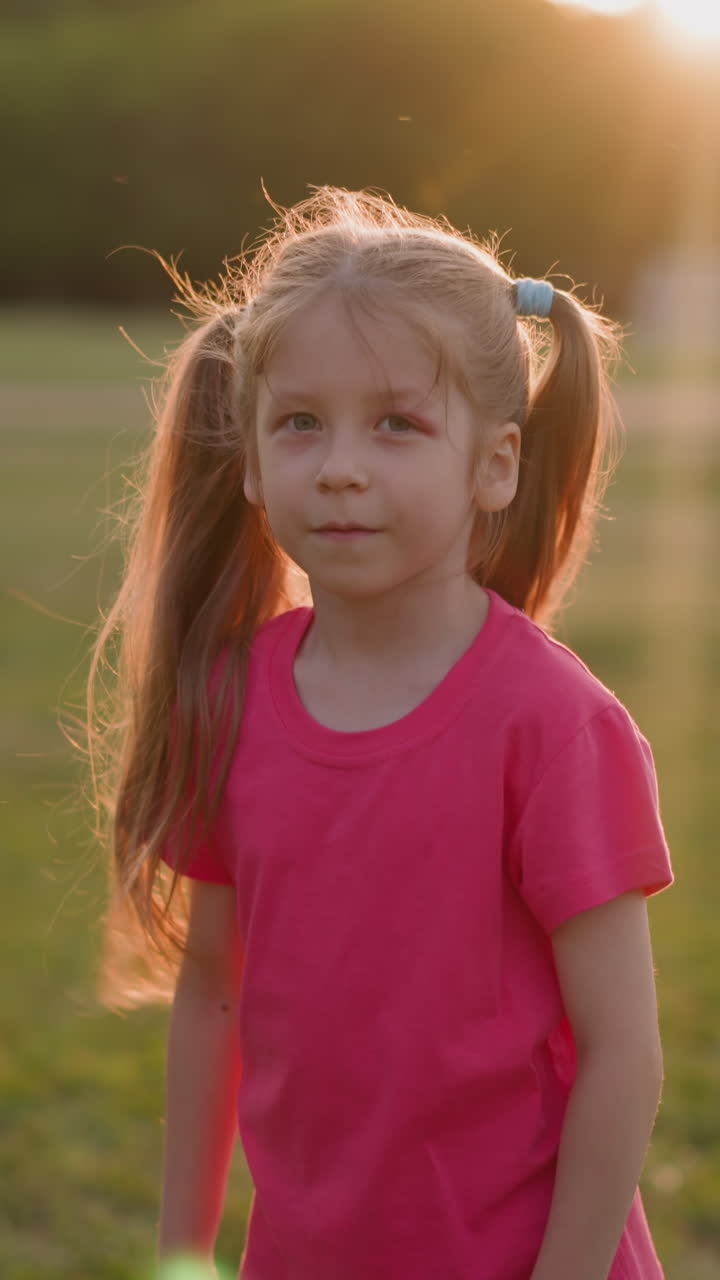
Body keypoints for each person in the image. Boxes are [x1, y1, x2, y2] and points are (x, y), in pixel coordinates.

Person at [89, 185, 674, 1280]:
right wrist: (183, 1254)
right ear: (251, 461)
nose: (341, 466)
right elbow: (213, 990)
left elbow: (623, 1056)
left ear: (495, 464)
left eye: (398, 423)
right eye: (300, 422)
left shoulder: (554, 725)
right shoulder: (230, 701)